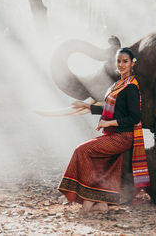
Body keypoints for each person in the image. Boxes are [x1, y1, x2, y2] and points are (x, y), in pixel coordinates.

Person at [58, 47, 150, 213]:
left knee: (82, 151)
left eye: (125, 61)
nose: (121, 64)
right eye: (119, 61)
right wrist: (87, 106)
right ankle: (101, 203)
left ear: (132, 63)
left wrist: (109, 123)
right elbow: (110, 108)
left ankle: (88, 199)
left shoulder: (131, 87)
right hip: (114, 134)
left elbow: (135, 117)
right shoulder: (117, 85)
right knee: (90, 154)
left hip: (123, 137)